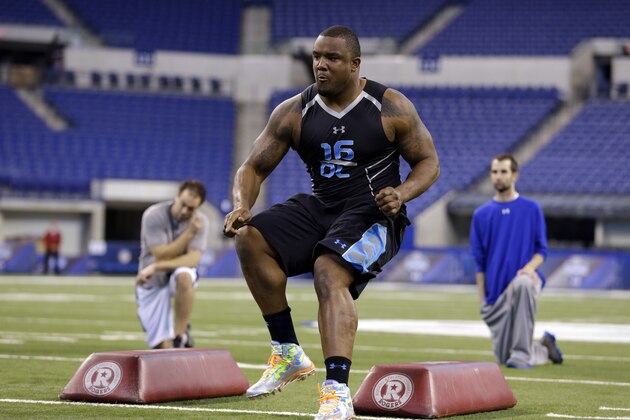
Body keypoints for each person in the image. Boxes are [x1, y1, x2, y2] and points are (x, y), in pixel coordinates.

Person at [223, 25, 439, 419]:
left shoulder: (390, 106)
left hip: (374, 213)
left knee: (328, 270)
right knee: (250, 238)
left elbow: (428, 162)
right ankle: (287, 352)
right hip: (321, 208)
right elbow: (252, 166)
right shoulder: (292, 111)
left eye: (332, 58)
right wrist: (242, 204)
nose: (321, 65)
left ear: (355, 65)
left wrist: (402, 194)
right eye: (317, 57)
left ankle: (337, 391)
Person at [470, 154, 563, 369]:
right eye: (495, 172)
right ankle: (543, 348)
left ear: (515, 175)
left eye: (503, 171)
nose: (498, 176)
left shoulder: (532, 209)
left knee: (523, 283)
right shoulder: (481, 214)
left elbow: (542, 250)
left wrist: (529, 268)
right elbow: (479, 261)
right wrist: (483, 300)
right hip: (497, 293)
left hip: (526, 282)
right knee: (503, 357)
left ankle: (521, 355)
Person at [136, 179, 209, 349]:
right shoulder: (154, 215)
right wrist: (189, 233)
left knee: (184, 276)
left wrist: (156, 266)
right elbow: (160, 253)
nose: (184, 211)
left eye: (190, 208)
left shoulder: (201, 221)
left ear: (197, 207)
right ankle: (171, 339)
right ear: (176, 196)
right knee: (161, 347)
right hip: (151, 280)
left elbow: (193, 260)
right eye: (183, 204)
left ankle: (180, 335)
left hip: (161, 271)